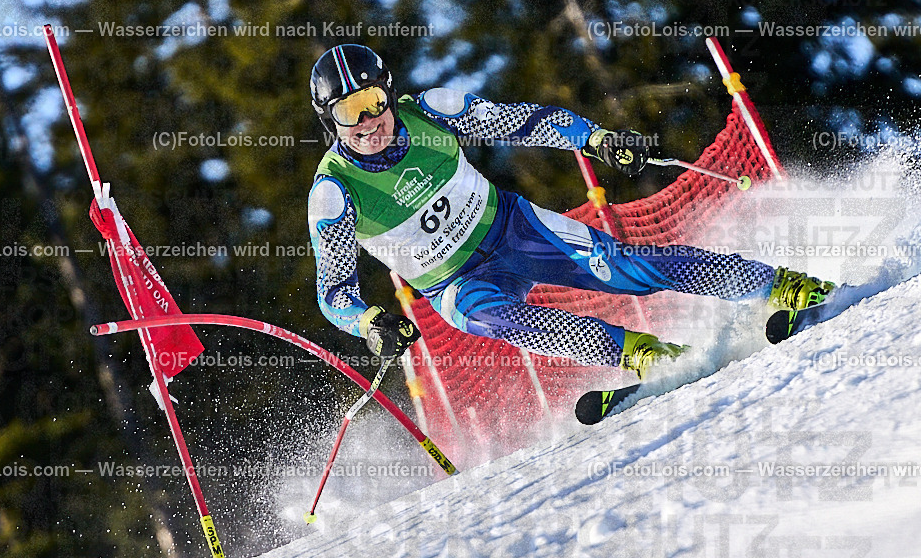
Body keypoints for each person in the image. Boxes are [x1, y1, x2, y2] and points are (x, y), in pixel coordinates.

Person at [307, 44, 833, 379]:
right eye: (349, 112)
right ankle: (642, 354)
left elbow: (526, 121)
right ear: (331, 122)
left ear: (389, 93)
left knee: (624, 268)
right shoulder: (334, 193)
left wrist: (595, 137)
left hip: (514, 229)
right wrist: (370, 321)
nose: (368, 121)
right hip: (456, 284)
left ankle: (778, 285)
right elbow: (333, 295)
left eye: (373, 101)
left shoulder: (429, 111)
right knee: (498, 319)